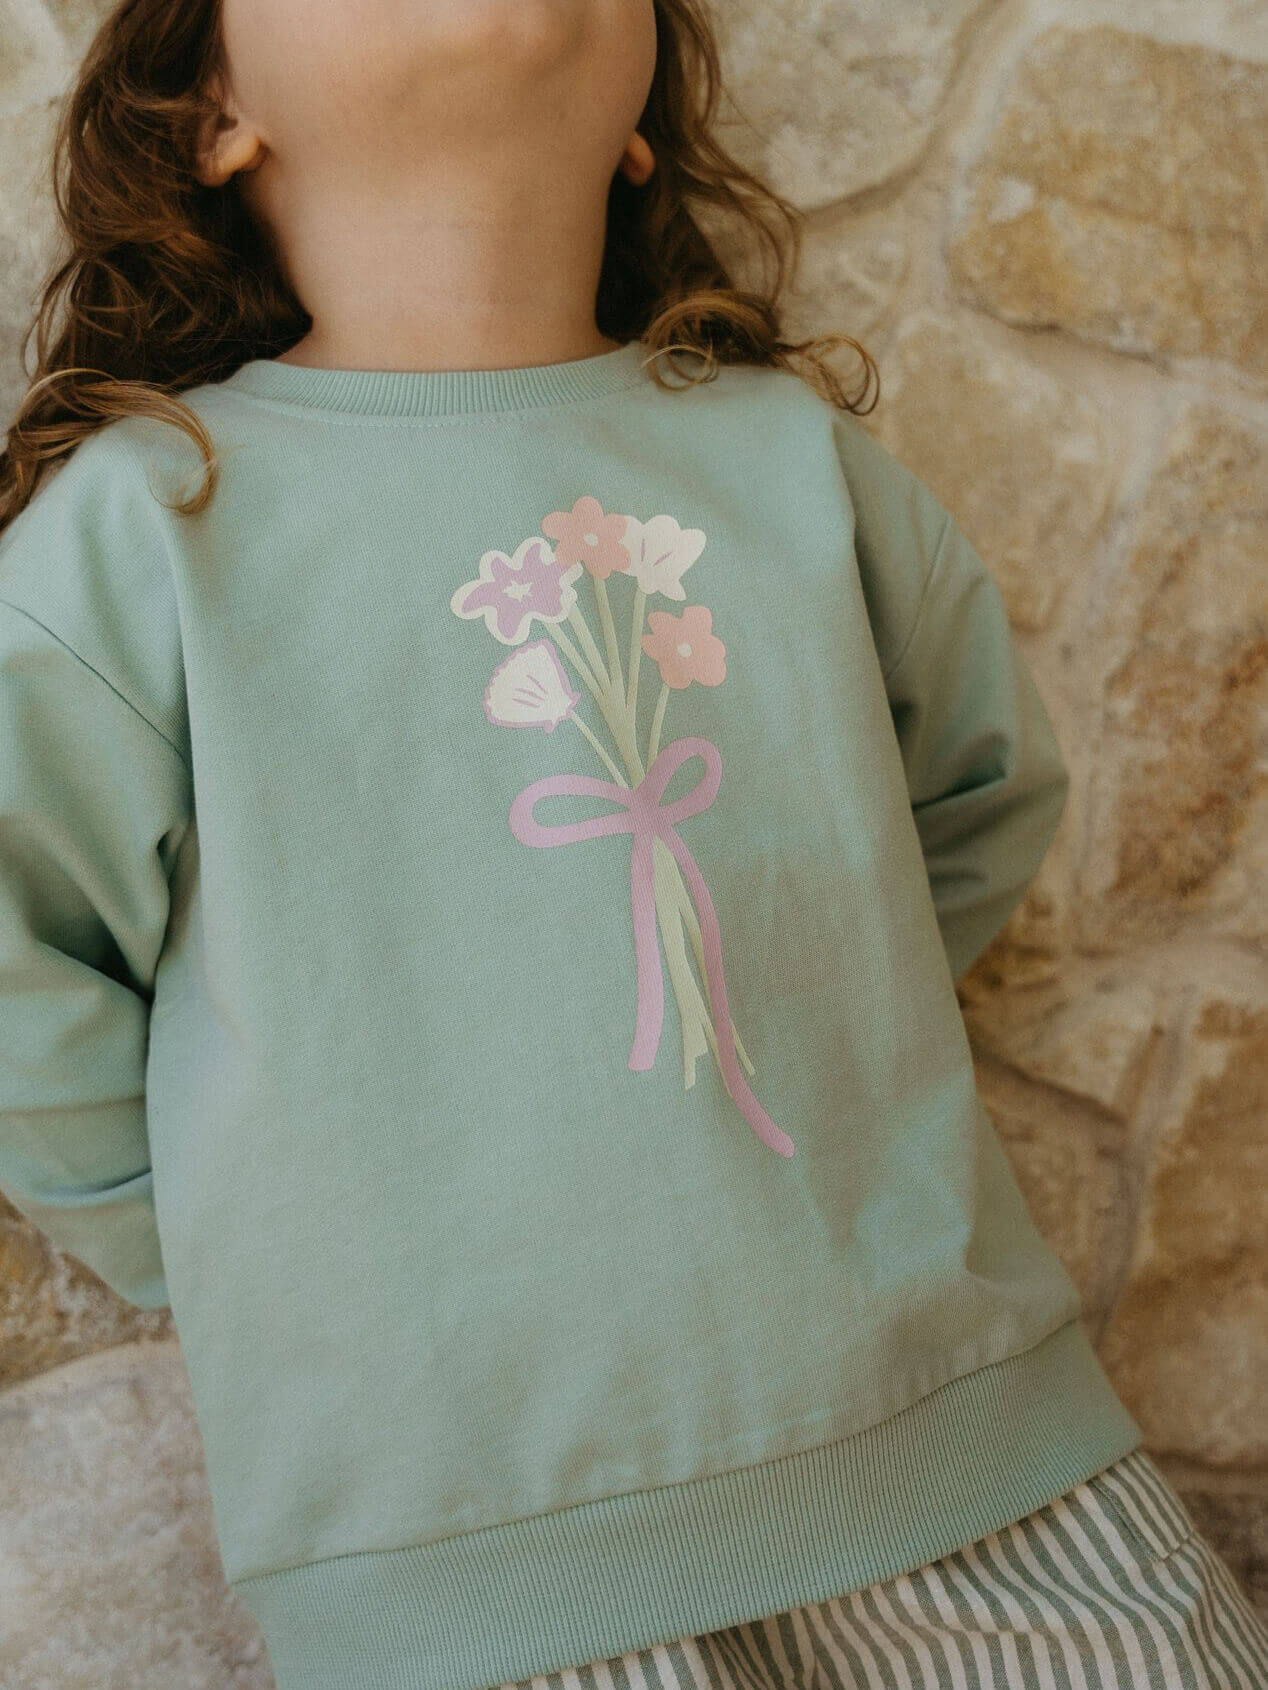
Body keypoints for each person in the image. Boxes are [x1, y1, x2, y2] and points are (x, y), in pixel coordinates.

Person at [1, 3, 1264, 1688]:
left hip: (968, 1446)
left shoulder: (791, 464)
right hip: (469, 1558)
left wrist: (844, 1027)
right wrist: (243, 1240)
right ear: (218, 105)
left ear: (640, 113)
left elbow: (972, 788)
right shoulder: (156, 524)